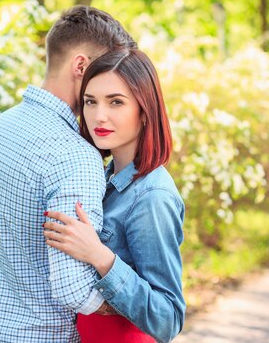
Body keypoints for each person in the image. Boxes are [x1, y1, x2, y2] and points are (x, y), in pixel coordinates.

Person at [0, 6, 137, 342]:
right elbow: (75, 290)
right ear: (80, 66)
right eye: (109, 68)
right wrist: (134, 303)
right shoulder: (75, 156)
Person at [43, 49, 186, 343]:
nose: (99, 116)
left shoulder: (152, 196)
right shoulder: (104, 177)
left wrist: (100, 256)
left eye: (116, 102)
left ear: (145, 111)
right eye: (90, 102)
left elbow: (168, 318)